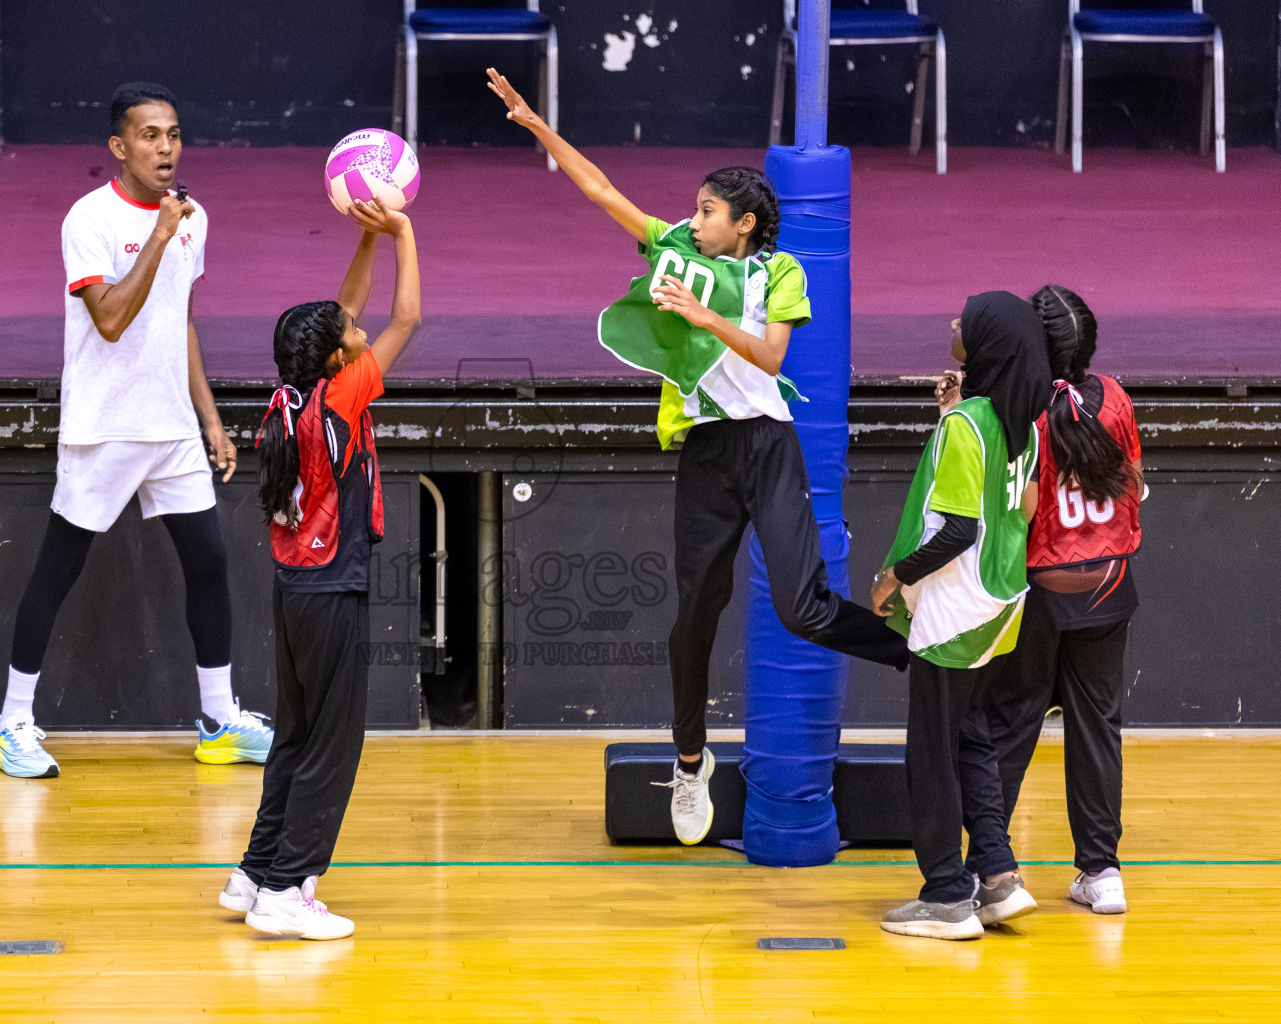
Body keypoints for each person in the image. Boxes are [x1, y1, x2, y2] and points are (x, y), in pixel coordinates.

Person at [486, 68, 909, 847]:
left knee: (802, 607)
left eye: (708, 210)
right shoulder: (675, 247)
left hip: (768, 446)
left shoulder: (779, 271)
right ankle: (690, 763)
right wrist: (538, 126)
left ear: (744, 223)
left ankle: (919, 654)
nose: (693, 217)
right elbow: (603, 191)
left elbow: (773, 359)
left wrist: (703, 314)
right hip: (708, 451)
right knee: (693, 622)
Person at [0, 82, 271, 779]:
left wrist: (210, 420)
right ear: (120, 147)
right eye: (150, 136)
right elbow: (110, 320)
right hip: (105, 429)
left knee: (208, 562)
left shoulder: (193, 219)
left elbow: (181, 321)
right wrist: (160, 236)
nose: (166, 147)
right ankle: (10, 724)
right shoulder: (89, 219)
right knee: (58, 570)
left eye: (173, 134)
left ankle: (217, 718)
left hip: (170, 426)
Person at [218, 198, 420, 941]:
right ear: (340, 360)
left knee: (297, 738)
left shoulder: (289, 396)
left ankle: (253, 872)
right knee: (332, 746)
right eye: (352, 336)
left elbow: (350, 307)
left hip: (293, 589)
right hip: (331, 589)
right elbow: (407, 321)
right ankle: (287, 891)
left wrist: (366, 235)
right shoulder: (340, 398)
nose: (361, 331)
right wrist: (404, 234)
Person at [871, 292, 1051, 940]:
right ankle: (998, 877)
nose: (952, 324)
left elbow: (954, 531)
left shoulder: (966, 427)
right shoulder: (1018, 423)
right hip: (1001, 604)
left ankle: (947, 893)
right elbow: (1020, 510)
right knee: (971, 736)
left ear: (986, 346)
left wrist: (893, 576)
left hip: (953, 610)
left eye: (962, 322)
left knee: (932, 754)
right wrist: (952, 412)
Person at [960, 285, 1143, 915]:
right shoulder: (1115, 398)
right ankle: (1102, 871)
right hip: (1110, 586)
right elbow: (1134, 493)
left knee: (1011, 722)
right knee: (1099, 729)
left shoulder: (1022, 412)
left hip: (1040, 591)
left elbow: (1015, 505)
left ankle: (990, 872)